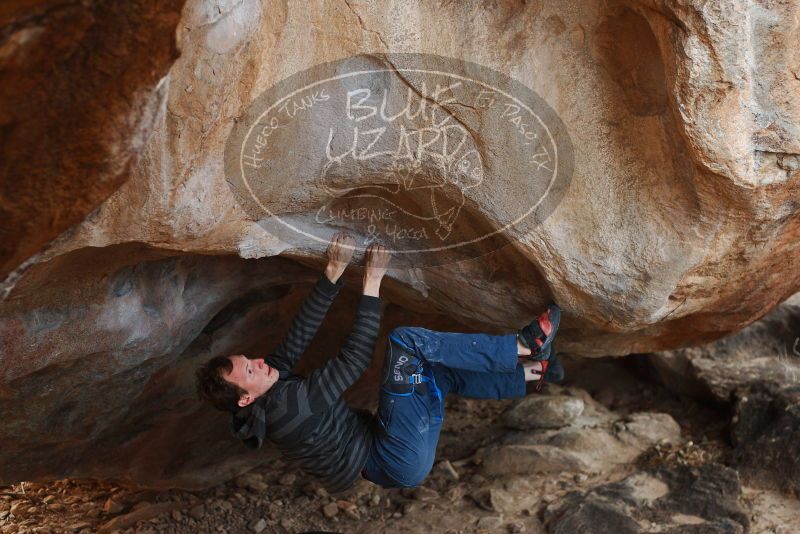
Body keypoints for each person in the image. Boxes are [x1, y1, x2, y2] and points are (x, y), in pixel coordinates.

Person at [195, 232, 563, 493]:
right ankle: (521, 347)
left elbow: (296, 338)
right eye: (249, 369)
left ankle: (531, 375)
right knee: (407, 343)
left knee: (432, 371)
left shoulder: (264, 396)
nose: (259, 362)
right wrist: (373, 281)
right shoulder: (289, 408)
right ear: (245, 396)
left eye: (250, 360)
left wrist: (333, 273)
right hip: (394, 456)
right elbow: (353, 360)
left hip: (392, 456)